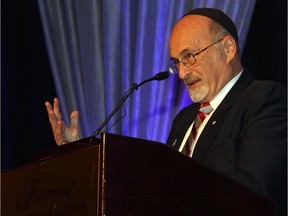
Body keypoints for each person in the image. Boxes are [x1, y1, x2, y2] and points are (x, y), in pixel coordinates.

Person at [45, 8, 287, 215]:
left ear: (228, 48)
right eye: (177, 62)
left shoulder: (263, 99)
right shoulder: (184, 120)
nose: (182, 73)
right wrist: (80, 154)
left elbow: (254, 191)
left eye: (189, 56)